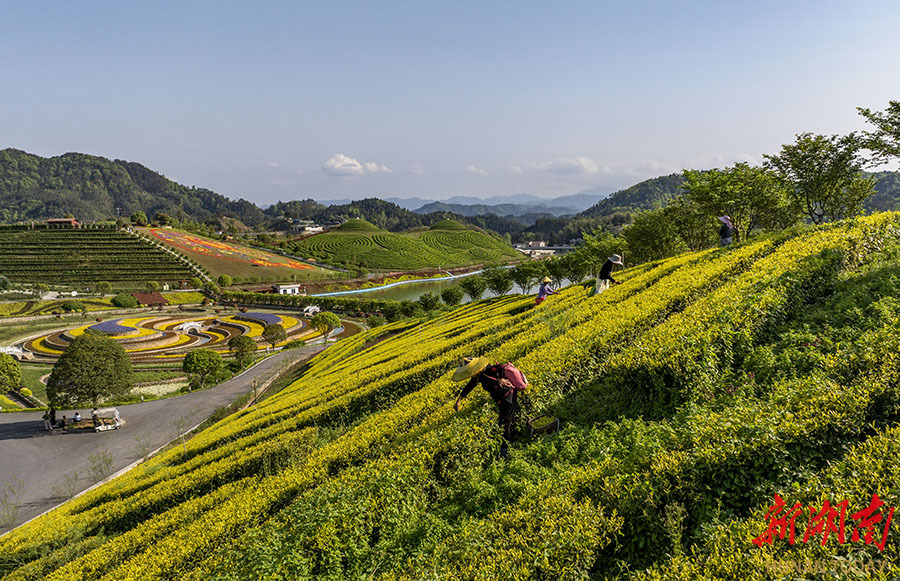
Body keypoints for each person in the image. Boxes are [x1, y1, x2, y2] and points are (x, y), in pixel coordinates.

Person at [452, 357, 521, 458]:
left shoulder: (490, 369)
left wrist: (501, 378)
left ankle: (505, 449)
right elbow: (470, 385)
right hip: (501, 399)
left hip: (507, 397)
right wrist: (459, 399)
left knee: (504, 422)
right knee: (506, 420)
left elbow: (503, 369)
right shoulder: (479, 375)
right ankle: (514, 437)